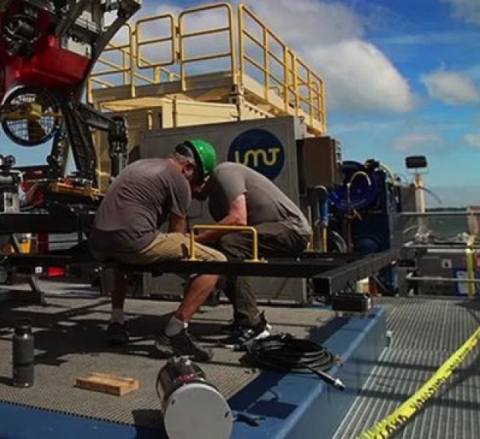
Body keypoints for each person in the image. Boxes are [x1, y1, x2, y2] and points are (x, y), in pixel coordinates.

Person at [88, 139, 224, 362]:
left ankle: (117, 321)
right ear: (188, 168)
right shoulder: (179, 180)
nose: (193, 186)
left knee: (121, 260)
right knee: (216, 261)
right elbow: (177, 235)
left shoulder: (138, 165)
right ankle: (174, 331)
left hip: (99, 244)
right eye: (196, 179)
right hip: (132, 243)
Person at [196, 162, 312, 349]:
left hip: (293, 230)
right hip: (275, 231)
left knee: (230, 244)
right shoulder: (215, 202)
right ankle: (244, 318)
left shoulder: (224, 172)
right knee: (221, 248)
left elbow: (238, 219)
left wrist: (197, 240)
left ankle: (251, 324)